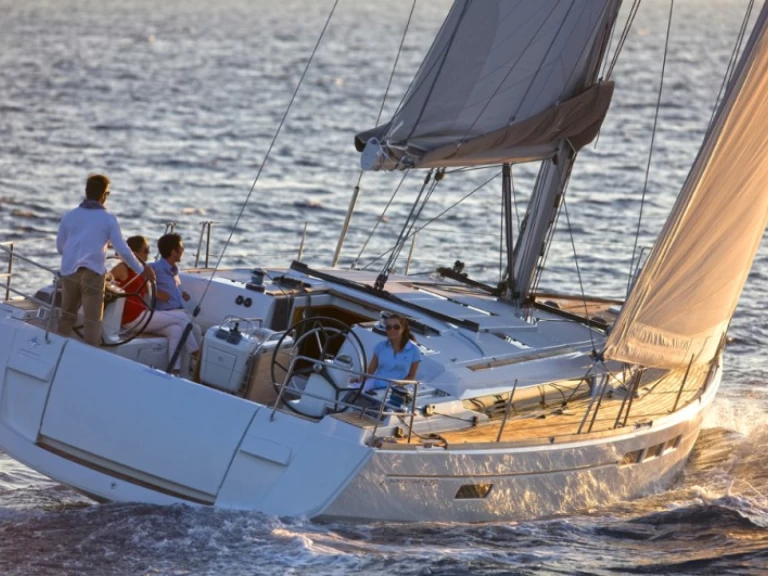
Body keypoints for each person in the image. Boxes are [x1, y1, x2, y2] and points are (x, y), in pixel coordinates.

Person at [56, 174, 155, 346]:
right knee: (92, 323)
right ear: (103, 195)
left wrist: (79, 253)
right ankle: (89, 363)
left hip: (69, 272)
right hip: (92, 275)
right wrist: (142, 270)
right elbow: (122, 249)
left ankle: (56, 351)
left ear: (87, 192)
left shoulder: (70, 215)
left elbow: (60, 247)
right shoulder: (108, 218)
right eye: (107, 194)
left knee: (67, 317)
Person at [147, 233, 201, 373]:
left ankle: (175, 370)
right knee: (184, 322)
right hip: (164, 314)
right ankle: (197, 356)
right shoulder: (155, 267)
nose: (183, 251)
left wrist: (182, 293)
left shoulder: (174, 271)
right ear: (173, 251)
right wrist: (157, 293)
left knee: (187, 329)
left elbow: (175, 288)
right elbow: (140, 281)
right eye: (181, 248)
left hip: (177, 313)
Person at [360, 313, 422, 393]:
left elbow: (411, 375)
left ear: (403, 329)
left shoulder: (414, 350)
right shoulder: (380, 346)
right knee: (352, 389)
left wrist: (397, 386)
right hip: (375, 383)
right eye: (388, 327)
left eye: (396, 327)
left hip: (395, 389)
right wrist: (360, 381)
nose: (392, 330)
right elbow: (370, 371)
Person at [110, 235, 151, 327]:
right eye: (146, 251)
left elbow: (150, 292)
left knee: (175, 329)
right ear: (134, 253)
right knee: (181, 318)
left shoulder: (141, 270)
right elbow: (105, 281)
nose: (148, 254)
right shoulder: (122, 268)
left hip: (141, 313)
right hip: (131, 317)